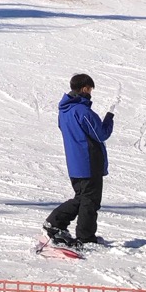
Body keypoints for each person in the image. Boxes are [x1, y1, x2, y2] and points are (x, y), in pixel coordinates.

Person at [45, 73, 116, 247]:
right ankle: (85, 237)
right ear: (85, 88)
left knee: (83, 198)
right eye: (90, 89)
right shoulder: (83, 111)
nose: (90, 92)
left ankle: (56, 222)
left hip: (76, 163)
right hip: (88, 162)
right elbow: (101, 134)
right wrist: (109, 119)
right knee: (90, 201)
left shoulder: (64, 112)